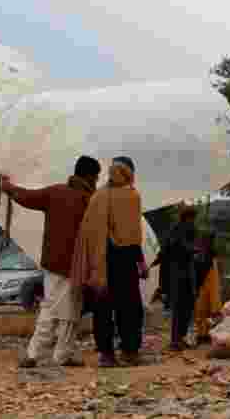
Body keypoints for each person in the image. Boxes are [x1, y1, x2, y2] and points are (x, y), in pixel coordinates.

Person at [0, 156, 100, 368]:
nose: (97, 181)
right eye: (96, 177)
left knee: (55, 307)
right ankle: (40, 355)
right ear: (91, 176)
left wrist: (7, 187)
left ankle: (49, 354)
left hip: (52, 263)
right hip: (76, 265)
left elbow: (26, 197)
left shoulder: (55, 192)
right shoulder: (90, 200)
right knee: (67, 312)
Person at [70, 156, 149, 368]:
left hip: (102, 260)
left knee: (103, 307)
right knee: (130, 307)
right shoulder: (133, 196)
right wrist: (141, 263)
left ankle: (107, 354)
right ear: (128, 173)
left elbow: (89, 233)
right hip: (125, 261)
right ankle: (130, 352)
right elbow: (134, 236)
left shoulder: (99, 196)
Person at [161, 204, 198, 351]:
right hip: (178, 274)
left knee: (187, 307)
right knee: (180, 307)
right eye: (191, 218)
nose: (193, 221)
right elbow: (174, 248)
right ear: (187, 217)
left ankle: (180, 338)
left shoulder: (189, 230)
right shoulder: (177, 230)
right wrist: (192, 249)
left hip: (186, 273)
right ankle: (176, 340)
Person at [192, 231, 223, 344]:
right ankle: (204, 335)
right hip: (206, 288)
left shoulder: (206, 255)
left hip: (206, 287)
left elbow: (199, 272)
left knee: (204, 312)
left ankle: (204, 335)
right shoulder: (209, 255)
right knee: (204, 311)